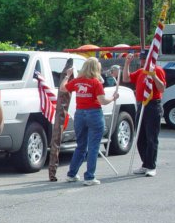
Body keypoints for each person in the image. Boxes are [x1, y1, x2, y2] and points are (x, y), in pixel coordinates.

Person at [60, 57, 119, 186]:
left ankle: (72, 174)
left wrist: (67, 76)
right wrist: (113, 98)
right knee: (93, 147)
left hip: (80, 114)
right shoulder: (95, 83)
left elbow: (63, 89)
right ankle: (89, 177)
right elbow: (102, 101)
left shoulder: (77, 81)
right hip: (94, 114)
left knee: (81, 145)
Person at [122, 52, 166, 177]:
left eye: (144, 59)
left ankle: (152, 166)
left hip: (153, 105)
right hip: (141, 104)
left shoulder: (158, 70)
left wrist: (154, 76)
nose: (142, 61)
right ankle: (145, 164)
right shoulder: (141, 71)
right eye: (141, 59)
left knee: (151, 137)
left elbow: (162, 88)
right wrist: (127, 64)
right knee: (140, 137)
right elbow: (126, 79)